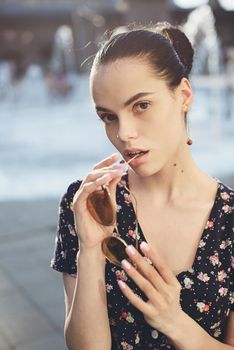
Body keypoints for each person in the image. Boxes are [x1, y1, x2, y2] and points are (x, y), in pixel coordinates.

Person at [51, 22, 234, 349]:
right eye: (108, 116)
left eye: (141, 105)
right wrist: (91, 249)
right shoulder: (87, 203)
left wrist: (174, 321)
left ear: (183, 96)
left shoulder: (230, 220)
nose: (124, 133)